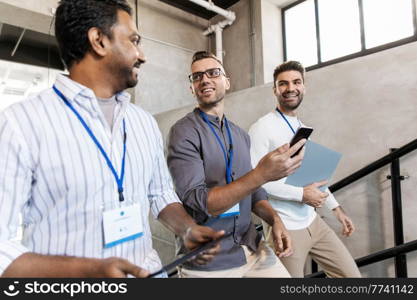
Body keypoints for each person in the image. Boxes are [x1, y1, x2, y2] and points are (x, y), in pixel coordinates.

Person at [0, 0, 224, 278]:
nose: (142, 55)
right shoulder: (21, 123)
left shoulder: (143, 122)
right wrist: (87, 271)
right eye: (134, 40)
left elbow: (160, 194)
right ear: (99, 41)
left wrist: (186, 228)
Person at [167, 51, 306, 278]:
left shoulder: (240, 135)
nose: (205, 79)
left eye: (213, 73)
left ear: (227, 81)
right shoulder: (182, 132)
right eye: (197, 76)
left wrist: (275, 219)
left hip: (251, 246)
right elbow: (202, 202)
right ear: (192, 88)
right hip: (210, 258)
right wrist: (261, 174)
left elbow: (254, 192)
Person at [248, 60, 361, 278]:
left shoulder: (301, 126)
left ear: (304, 87)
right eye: (283, 84)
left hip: (313, 221)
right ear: (274, 90)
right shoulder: (261, 127)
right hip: (285, 227)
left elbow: (311, 176)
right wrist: (302, 194)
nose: (290, 88)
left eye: (296, 82)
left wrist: (335, 208)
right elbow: (255, 181)